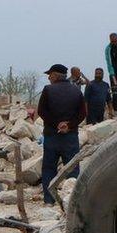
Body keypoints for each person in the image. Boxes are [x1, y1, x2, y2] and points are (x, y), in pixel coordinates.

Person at [36, 64, 86, 205]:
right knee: (72, 169)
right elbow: (82, 113)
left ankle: (49, 200)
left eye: (50, 74)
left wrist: (56, 124)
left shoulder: (48, 90)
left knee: (49, 169)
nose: (48, 77)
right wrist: (68, 125)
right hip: (70, 137)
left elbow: (41, 111)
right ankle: (72, 201)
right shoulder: (76, 91)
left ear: (56, 75)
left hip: (52, 136)